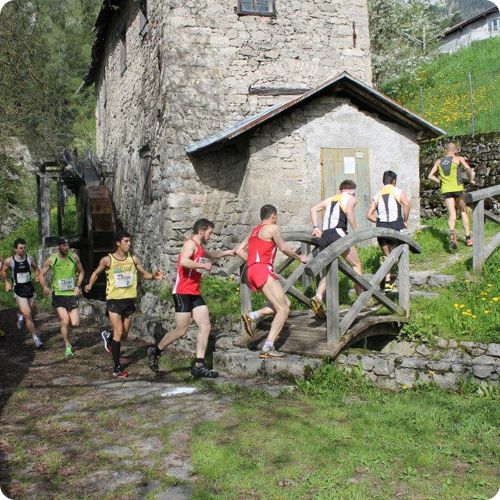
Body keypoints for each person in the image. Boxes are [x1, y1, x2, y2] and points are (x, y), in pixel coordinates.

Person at [147, 219, 236, 377]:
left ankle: (199, 366)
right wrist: (203, 266)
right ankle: (156, 351)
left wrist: (228, 253)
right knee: (181, 330)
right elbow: (184, 261)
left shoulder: (200, 247)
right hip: (182, 292)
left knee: (205, 325)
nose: (210, 236)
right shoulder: (190, 244)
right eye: (209, 233)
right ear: (201, 231)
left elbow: (212, 254)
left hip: (194, 292)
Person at [85, 230, 164, 378]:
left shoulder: (133, 259)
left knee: (124, 335)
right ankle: (117, 368)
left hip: (128, 300)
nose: (129, 244)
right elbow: (96, 273)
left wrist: (154, 276)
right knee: (119, 330)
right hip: (114, 300)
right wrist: (89, 285)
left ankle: (109, 337)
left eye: (129, 241)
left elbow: (144, 274)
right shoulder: (108, 260)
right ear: (118, 243)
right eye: (126, 241)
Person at [236, 204, 308, 359]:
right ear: (273, 216)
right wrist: (299, 257)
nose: (277, 219)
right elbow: (284, 248)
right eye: (277, 216)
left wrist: (254, 263)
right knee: (283, 310)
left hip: (252, 270)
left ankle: (253, 315)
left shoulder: (254, 231)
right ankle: (268, 347)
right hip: (262, 270)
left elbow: (239, 250)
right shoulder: (273, 228)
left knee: (286, 303)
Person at [308, 180, 363, 319]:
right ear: (352, 191)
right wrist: (357, 230)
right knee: (356, 264)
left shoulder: (331, 199)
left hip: (325, 235)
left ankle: (318, 296)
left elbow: (313, 209)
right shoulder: (351, 198)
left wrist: (316, 227)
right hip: (338, 233)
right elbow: (349, 211)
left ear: (340, 190)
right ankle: (361, 299)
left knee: (329, 270)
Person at [39, 237, 84, 358]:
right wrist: (45, 287)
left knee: (74, 323)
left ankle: (67, 332)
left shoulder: (74, 257)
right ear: (58, 246)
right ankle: (67, 346)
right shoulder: (52, 259)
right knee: (65, 320)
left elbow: (81, 272)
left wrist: (78, 286)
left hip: (71, 294)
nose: (66, 247)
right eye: (63, 245)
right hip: (58, 294)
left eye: (68, 245)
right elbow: (41, 274)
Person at [366, 171, 410, 292]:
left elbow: (368, 215)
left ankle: (387, 282)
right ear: (394, 181)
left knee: (387, 256)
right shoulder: (398, 191)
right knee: (398, 255)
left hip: (381, 228)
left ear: (383, 181)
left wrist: (380, 221)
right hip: (395, 226)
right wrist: (405, 220)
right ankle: (403, 283)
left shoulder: (377, 195)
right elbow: (406, 205)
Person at [428, 142, 475, 250]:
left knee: (452, 214)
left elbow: (430, 176)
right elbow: (468, 169)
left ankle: (452, 233)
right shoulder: (458, 159)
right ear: (455, 150)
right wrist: (470, 179)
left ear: (446, 150)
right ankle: (468, 238)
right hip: (458, 189)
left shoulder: (439, 161)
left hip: (446, 190)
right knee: (463, 211)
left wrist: (440, 181)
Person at [1, 238, 46, 348]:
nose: (23, 250)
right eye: (20, 248)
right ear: (15, 249)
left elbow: (37, 269)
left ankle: (20, 315)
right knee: (28, 314)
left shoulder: (29, 258)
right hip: (18, 290)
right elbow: (3, 271)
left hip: (29, 288)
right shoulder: (10, 261)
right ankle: (36, 338)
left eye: (24, 248)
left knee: (30, 309)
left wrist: (39, 278)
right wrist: (6, 282)